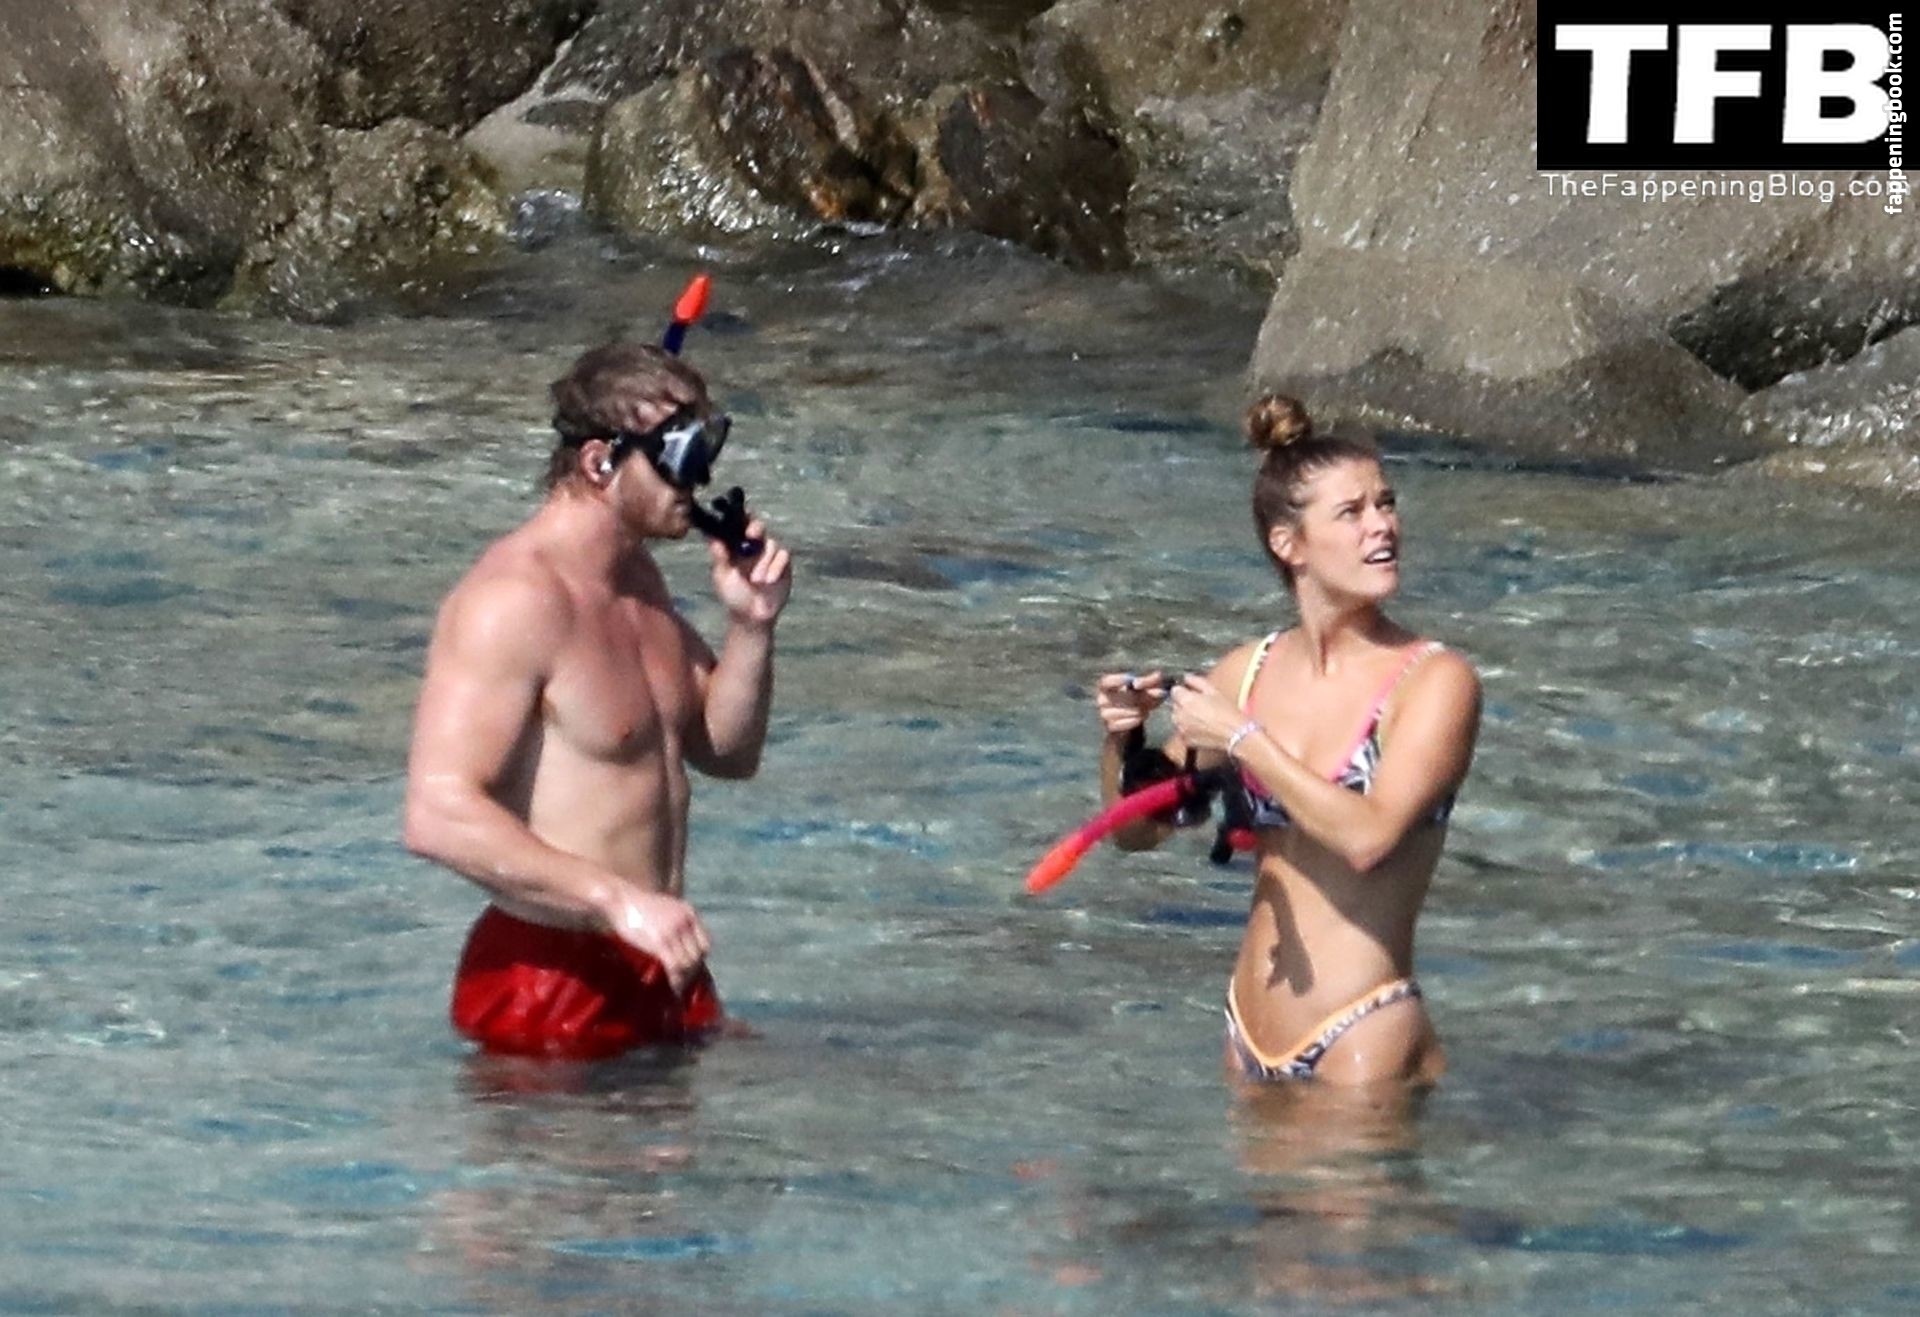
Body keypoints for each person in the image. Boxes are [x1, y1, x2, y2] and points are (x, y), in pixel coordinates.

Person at [404, 341, 792, 1060]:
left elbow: (727, 753)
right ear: (597, 463)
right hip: (548, 982)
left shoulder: (637, 581)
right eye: (681, 454)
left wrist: (752, 625)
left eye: (707, 447)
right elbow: (435, 815)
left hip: (662, 962)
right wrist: (616, 901)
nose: (701, 478)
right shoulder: (512, 601)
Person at [1093, 394, 1479, 1088]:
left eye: (1386, 504)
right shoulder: (1248, 672)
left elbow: (1369, 837)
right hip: (1247, 1031)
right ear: (1288, 543)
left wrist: (1245, 741)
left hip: (1360, 1032)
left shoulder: (1434, 681)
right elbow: (1137, 831)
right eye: (1351, 512)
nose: (1382, 525)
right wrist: (1124, 738)